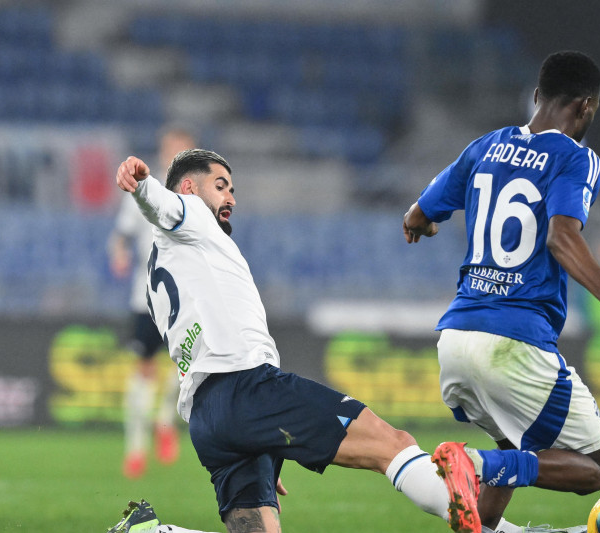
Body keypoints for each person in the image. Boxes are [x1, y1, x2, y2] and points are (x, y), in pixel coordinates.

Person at [106, 149, 481, 533]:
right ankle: (499, 530)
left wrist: (262, 435)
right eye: (221, 186)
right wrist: (142, 184)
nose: (231, 197)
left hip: (208, 417)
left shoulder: (159, 275)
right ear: (188, 187)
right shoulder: (191, 212)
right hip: (247, 387)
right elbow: (161, 205)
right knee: (392, 442)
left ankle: (151, 532)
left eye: (233, 189)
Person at [402, 51, 600, 533]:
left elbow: (416, 216)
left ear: (538, 95)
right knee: (599, 468)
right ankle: (472, 466)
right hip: (514, 342)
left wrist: (426, 227)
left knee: (514, 446)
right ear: (586, 107)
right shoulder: (577, 157)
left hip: (457, 338)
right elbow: (561, 236)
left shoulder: (485, 146)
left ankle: (484, 507)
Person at [108, 124, 197, 478]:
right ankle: (135, 449)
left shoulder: (199, 193)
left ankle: (164, 419)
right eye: (170, 148)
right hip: (146, 295)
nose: (174, 154)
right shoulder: (144, 187)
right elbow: (121, 235)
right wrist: (118, 253)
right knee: (142, 369)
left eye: (182, 149)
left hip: (188, 296)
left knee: (186, 366)